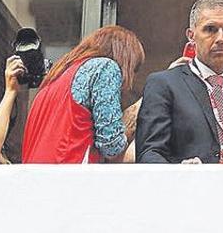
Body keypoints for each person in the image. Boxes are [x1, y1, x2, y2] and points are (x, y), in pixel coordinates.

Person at [135, 0, 223, 163]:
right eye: (210, 29)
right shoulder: (164, 85)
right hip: (186, 187)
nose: (221, 38)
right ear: (191, 35)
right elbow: (149, 152)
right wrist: (180, 172)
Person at [20, 26, 146, 164]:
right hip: (69, 175)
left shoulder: (55, 77)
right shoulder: (105, 67)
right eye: (133, 69)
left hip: (35, 176)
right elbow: (111, 145)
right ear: (125, 57)